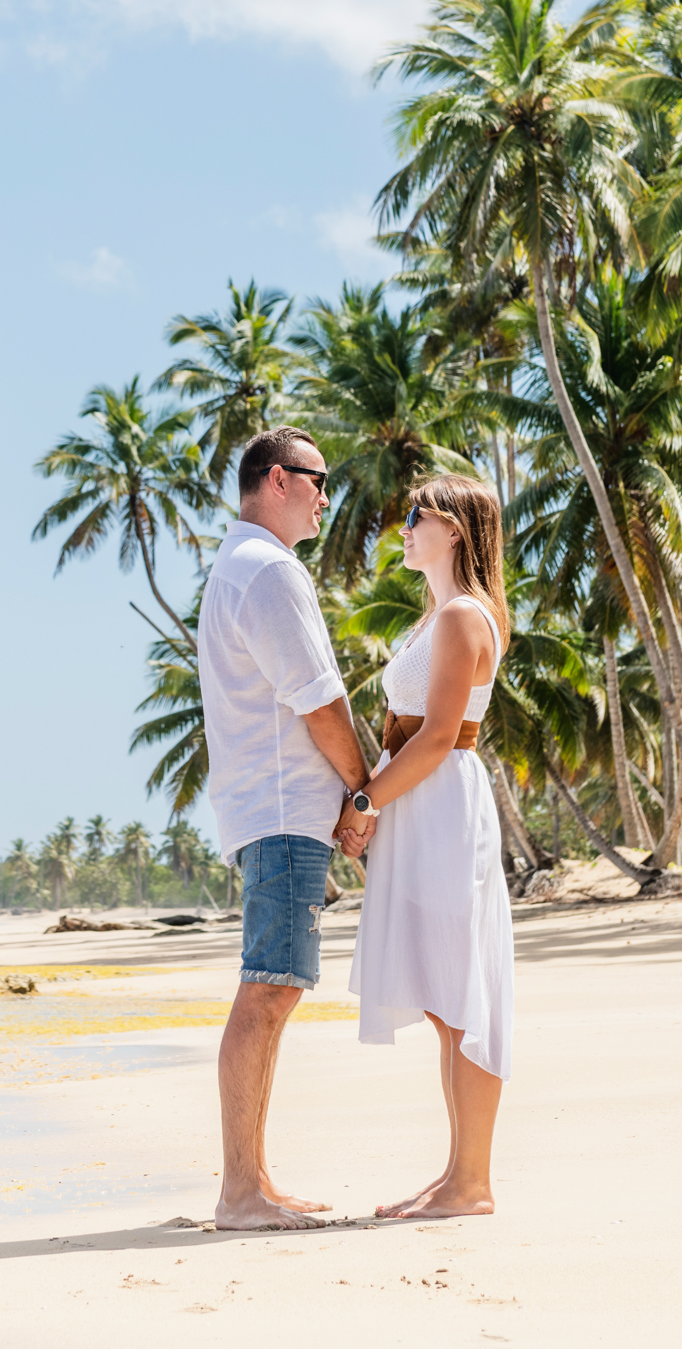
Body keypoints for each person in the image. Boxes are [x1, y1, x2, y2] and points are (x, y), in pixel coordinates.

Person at [200, 425, 375, 1231]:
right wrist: (364, 792)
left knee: (274, 991)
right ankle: (242, 1191)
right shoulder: (268, 569)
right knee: (269, 990)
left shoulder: (241, 565)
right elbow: (320, 701)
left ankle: (254, 1180)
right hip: (281, 810)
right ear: (276, 479)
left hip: (270, 809)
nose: (326, 498)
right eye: (317, 479)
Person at [340, 474, 513, 1219]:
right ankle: (456, 1176)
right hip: (423, 807)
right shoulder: (436, 618)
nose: (403, 526)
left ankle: (472, 1182)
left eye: (418, 515)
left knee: (461, 996)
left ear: (457, 531)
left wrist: (364, 801)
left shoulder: (463, 617)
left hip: (441, 809)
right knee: (446, 1001)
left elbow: (440, 736)